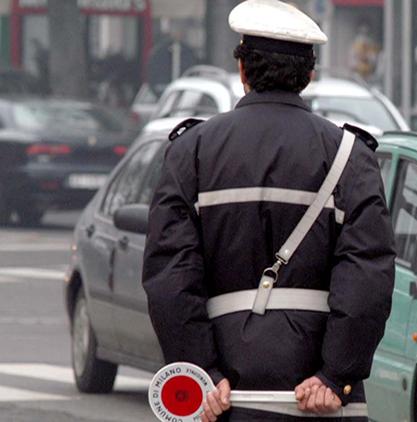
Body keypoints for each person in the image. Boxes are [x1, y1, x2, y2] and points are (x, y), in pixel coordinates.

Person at [141, 1, 395, 421]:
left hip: (223, 396)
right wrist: (335, 376)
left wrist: (201, 369)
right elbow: (367, 274)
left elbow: (171, 273)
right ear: (309, 76)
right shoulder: (351, 156)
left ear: (243, 72)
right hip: (317, 400)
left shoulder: (193, 152)